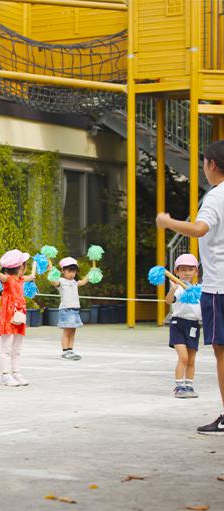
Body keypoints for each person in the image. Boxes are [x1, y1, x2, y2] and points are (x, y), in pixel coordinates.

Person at [156, 139, 224, 434]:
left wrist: (168, 222)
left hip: (220, 287)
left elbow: (199, 229)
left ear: (210, 164)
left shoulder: (215, 197)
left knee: (222, 352)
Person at [0, 249, 37, 387]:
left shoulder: (20, 279)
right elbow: (3, 277)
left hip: (19, 315)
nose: (26, 267)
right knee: (6, 347)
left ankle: (16, 373)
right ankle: (5, 375)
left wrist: (36, 265)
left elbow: (32, 276)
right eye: (24, 264)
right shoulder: (9, 280)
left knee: (17, 347)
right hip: (8, 316)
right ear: (20, 267)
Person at [164, 254, 202, 399]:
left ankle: (189, 386)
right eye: (183, 270)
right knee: (184, 358)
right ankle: (179, 387)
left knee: (191, 359)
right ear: (177, 272)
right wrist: (173, 289)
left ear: (196, 272)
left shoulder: (199, 289)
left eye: (190, 269)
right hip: (178, 324)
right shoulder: (179, 288)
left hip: (193, 326)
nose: (187, 272)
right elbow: (168, 301)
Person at [51, 257, 89, 361]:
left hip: (75, 310)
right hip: (66, 310)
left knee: (73, 331)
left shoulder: (74, 282)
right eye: (69, 271)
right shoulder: (61, 281)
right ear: (63, 271)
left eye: (74, 271)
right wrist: (51, 271)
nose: (72, 274)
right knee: (67, 332)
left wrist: (92, 273)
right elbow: (54, 282)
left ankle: (70, 350)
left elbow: (84, 282)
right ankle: (65, 352)